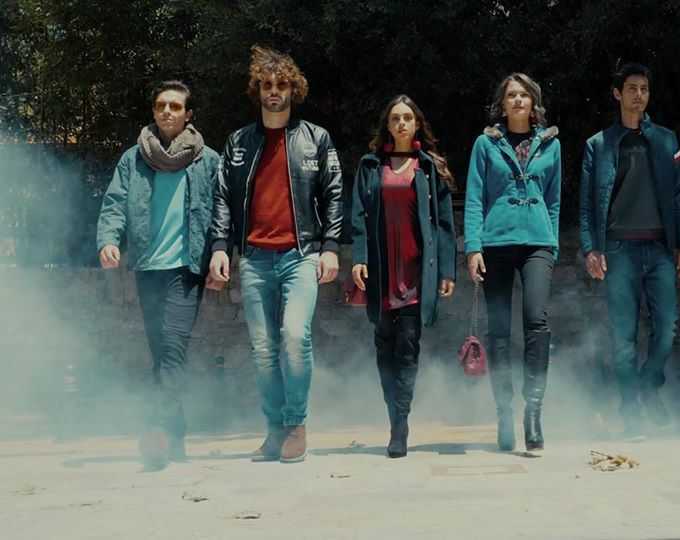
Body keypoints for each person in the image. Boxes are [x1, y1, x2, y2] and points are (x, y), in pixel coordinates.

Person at [208, 46, 343, 463]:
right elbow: (222, 197)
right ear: (257, 90)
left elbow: (334, 194)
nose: (274, 91)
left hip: (301, 256)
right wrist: (220, 247)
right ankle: (273, 430)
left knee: (295, 337)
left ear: (293, 89)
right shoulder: (238, 142)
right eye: (266, 84)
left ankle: (295, 425)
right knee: (263, 349)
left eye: (281, 84)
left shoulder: (316, 139)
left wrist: (331, 247)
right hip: (254, 259)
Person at [96, 80, 220, 469]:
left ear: (188, 114)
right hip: (148, 267)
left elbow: (222, 213)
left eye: (175, 106)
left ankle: (158, 429)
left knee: (173, 348)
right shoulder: (134, 158)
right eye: (161, 105)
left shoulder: (207, 160)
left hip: (187, 268)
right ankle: (175, 434)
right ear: (153, 111)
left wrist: (220, 252)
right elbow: (115, 203)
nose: (167, 111)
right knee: (160, 352)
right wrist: (108, 239)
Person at [579, 64, 680, 435]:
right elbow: (587, 204)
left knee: (667, 328)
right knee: (623, 336)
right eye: (631, 88)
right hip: (618, 250)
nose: (638, 95)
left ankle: (648, 385)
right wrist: (591, 248)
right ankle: (629, 407)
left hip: (659, 248)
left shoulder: (666, 140)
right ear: (617, 94)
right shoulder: (598, 145)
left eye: (644, 88)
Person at [350, 95, 456, 458]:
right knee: (384, 347)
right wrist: (358, 258)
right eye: (395, 118)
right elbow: (358, 216)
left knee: (408, 346)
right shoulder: (370, 166)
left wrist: (446, 270)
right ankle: (392, 414)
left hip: (416, 271)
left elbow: (444, 223)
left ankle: (400, 423)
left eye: (407, 117)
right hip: (381, 270)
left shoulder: (427, 167)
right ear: (388, 125)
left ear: (417, 124)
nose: (401, 123)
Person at [464, 73, 561, 452]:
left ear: (533, 102)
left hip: (537, 242)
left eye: (524, 95)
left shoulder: (551, 144)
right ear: (502, 105)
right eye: (511, 95)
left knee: (537, 321)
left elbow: (554, 199)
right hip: (496, 242)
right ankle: (503, 411)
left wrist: (552, 243)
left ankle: (533, 412)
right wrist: (473, 247)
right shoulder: (485, 143)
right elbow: (475, 197)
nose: (518, 100)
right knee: (499, 328)